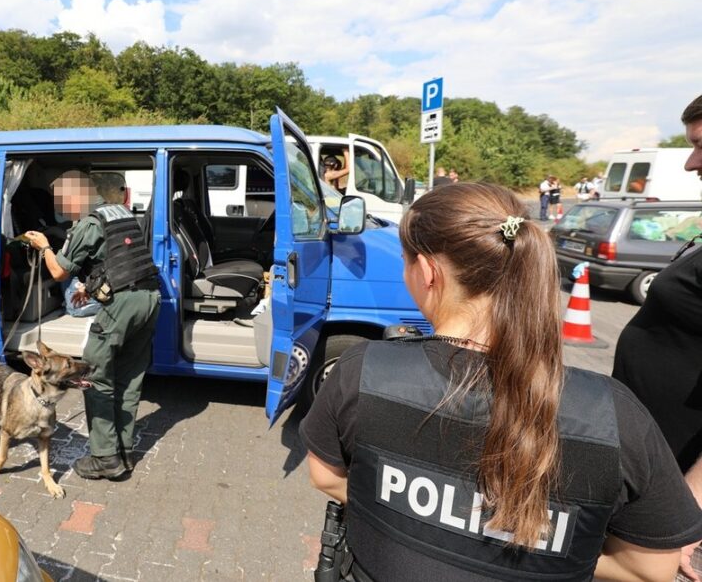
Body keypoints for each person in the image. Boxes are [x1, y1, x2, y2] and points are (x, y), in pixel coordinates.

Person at [301, 182, 702, 581]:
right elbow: (650, 567)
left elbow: (325, 475)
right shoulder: (615, 415)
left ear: (427, 272)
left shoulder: (363, 369)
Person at [613, 93, 702, 580]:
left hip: (676, 483)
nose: (691, 163)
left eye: (701, 145)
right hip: (654, 459)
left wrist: (686, 506)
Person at [22, 170, 161, 480]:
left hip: (122, 306)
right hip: (149, 298)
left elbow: (58, 272)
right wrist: (91, 285)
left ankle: (103, 458)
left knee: (93, 375)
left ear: (76, 196)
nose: (61, 208)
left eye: (62, 202)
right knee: (128, 378)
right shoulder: (120, 213)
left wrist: (44, 246)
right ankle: (123, 451)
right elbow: (121, 257)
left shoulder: (87, 223)